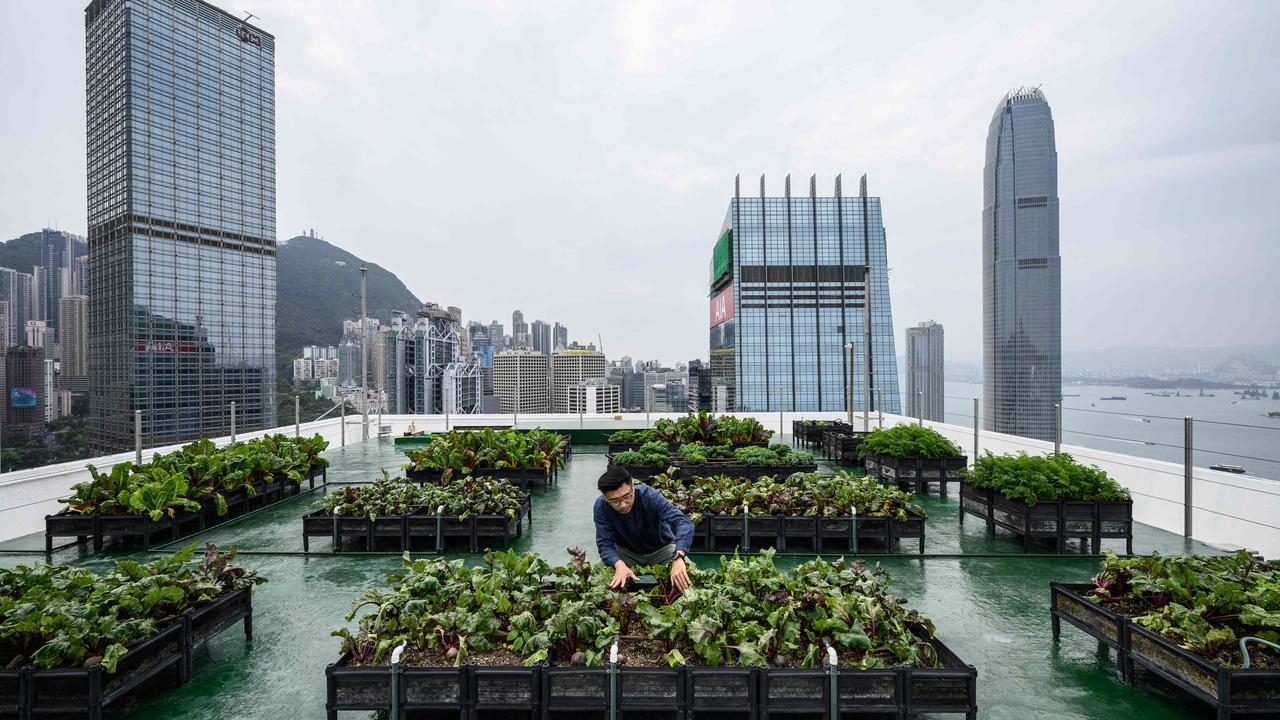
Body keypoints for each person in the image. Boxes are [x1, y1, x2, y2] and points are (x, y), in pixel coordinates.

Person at [594, 464, 694, 591]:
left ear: (632, 487)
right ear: (605, 497)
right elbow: (605, 544)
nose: (623, 504)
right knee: (600, 574)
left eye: (627, 496)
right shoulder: (601, 506)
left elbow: (682, 522)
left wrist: (678, 556)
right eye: (615, 501)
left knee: (689, 573)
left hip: (662, 550)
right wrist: (618, 564)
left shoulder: (650, 496)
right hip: (626, 552)